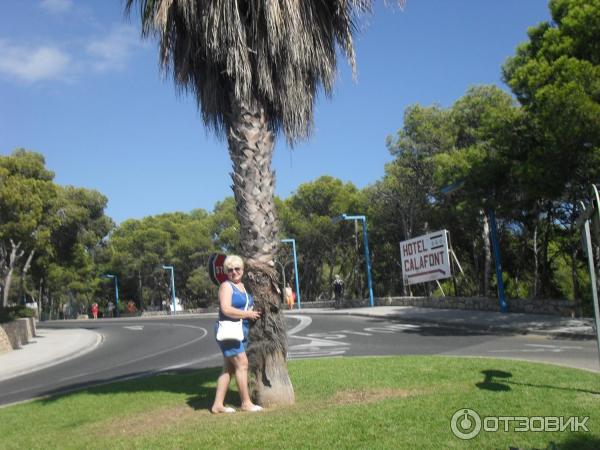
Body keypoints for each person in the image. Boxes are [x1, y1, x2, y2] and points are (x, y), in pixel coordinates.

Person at [211, 254, 263, 414]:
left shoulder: (242, 286)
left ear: (243, 270)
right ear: (226, 272)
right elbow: (225, 308)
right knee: (242, 364)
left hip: (240, 331)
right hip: (229, 331)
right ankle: (246, 403)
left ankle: (217, 405)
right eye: (230, 270)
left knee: (229, 368)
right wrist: (247, 314)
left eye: (237, 269)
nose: (234, 272)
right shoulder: (226, 286)